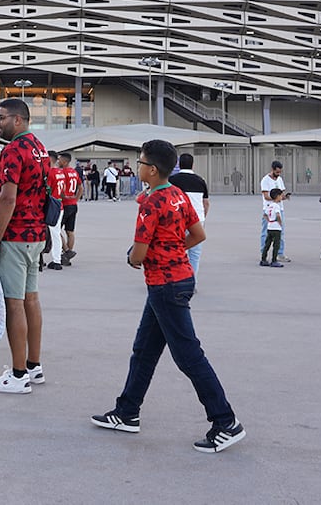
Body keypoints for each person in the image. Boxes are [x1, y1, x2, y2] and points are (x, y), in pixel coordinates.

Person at [90, 139, 244, 454]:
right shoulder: (177, 195)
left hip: (165, 286)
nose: (138, 166)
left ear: (152, 169)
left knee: (189, 356)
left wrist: (134, 257)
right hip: (178, 279)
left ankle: (225, 421)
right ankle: (127, 412)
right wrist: (172, 250)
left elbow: (138, 255)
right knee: (144, 351)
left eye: (140, 162)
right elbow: (198, 234)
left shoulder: (151, 203)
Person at [0, 98, 50, 394]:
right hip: (36, 235)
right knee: (31, 300)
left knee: (14, 304)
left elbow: (7, 198)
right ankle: (34, 366)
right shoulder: (40, 148)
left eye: (1, 118)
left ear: (18, 120)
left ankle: (19, 374)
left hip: (15, 236)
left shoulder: (13, 150)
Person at [168, 153, 210, 278]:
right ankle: (191, 280)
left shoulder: (172, 180)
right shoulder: (200, 181)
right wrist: (202, 218)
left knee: (176, 251)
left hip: (178, 220)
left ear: (179, 164)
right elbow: (206, 203)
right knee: (195, 254)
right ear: (193, 165)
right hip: (197, 220)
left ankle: (176, 278)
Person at [259, 161, 290, 262]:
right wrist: (276, 198)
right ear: (272, 169)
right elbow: (266, 196)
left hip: (279, 208)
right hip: (269, 209)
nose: (278, 174)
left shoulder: (280, 179)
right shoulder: (265, 180)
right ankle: (264, 252)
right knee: (266, 232)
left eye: (280, 172)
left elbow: (282, 193)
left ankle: (280, 253)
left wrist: (284, 197)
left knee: (281, 231)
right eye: (277, 172)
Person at [56, 152, 83, 267]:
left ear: (65, 161)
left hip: (65, 205)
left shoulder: (62, 172)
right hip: (73, 205)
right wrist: (76, 198)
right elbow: (80, 187)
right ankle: (68, 255)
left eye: (60, 160)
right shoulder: (74, 172)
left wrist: (63, 197)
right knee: (70, 231)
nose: (58, 161)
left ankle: (67, 250)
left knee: (56, 230)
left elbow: (61, 188)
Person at [44, 152, 66, 271]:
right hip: (59, 204)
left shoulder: (50, 173)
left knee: (46, 232)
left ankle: (40, 259)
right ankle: (57, 259)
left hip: (50, 205)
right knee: (56, 233)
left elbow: (46, 190)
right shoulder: (60, 172)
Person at [260, 188, 285, 268]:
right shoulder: (277, 206)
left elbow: (265, 215)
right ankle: (274, 260)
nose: (281, 197)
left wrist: (269, 220)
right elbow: (277, 215)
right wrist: (280, 223)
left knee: (267, 244)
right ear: (277, 196)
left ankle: (263, 259)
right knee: (276, 245)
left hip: (270, 227)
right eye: (281, 196)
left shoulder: (270, 205)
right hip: (276, 228)